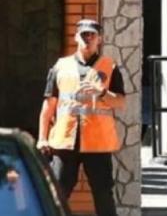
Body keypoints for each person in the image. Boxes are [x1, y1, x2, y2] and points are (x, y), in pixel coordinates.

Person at [36, 19, 126, 216]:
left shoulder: (109, 66)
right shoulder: (61, 66)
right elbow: (49, 105)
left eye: (92, 35)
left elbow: (120, 102)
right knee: (57, 193)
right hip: (65, 141)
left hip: (98, 143)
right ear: (76, 37)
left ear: (99, 39)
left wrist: (102, 92)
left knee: (103, 193)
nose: (88, 38)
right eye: (84, 34)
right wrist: (42, 137)